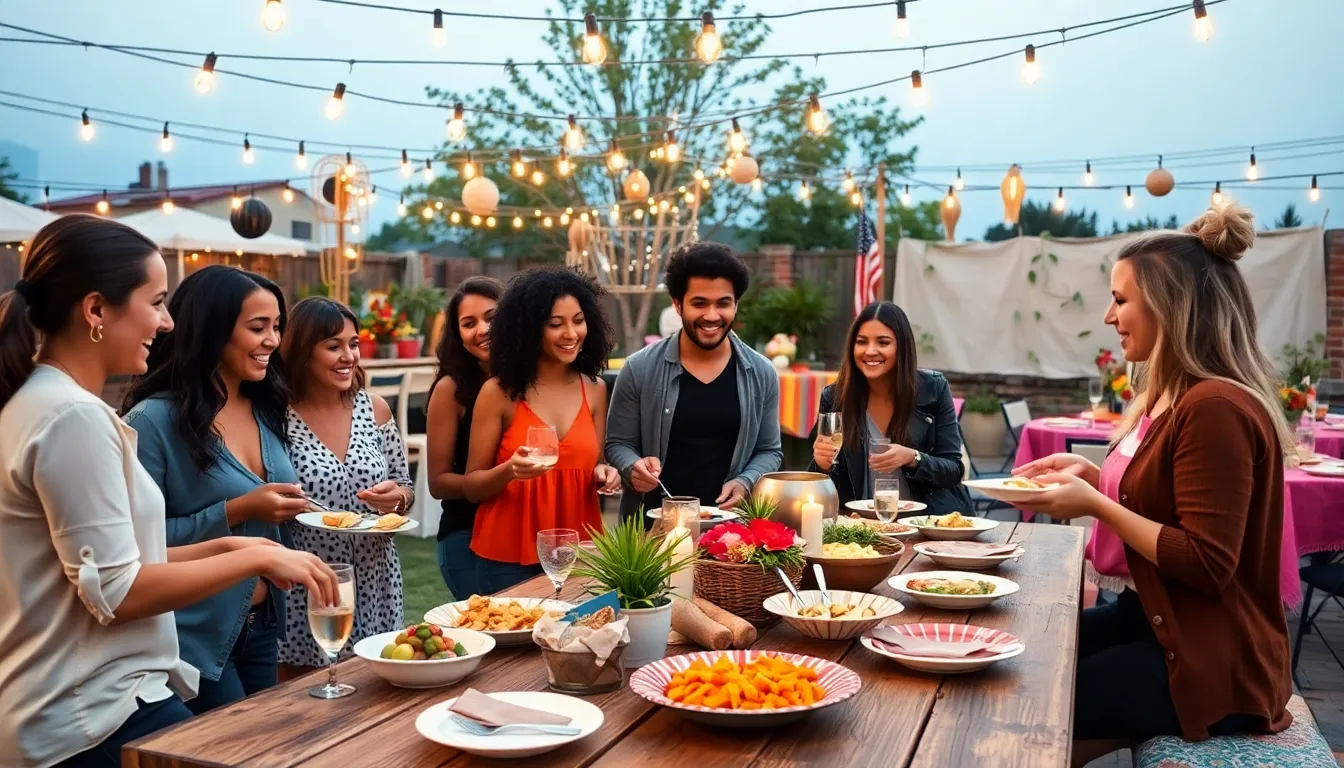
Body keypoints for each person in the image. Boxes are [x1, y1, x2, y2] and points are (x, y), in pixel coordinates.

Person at [0, 216, 337, 768]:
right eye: (156, 302)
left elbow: (100, 567)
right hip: (89, 715)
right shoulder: (72, 417)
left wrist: (231, 548)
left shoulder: (40, 401)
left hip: (88, 704)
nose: (165, 321)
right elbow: (118, 592)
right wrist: (248, 553)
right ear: (95, 311)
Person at [1011, 203, 1293, 765]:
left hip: (1212, 657)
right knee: (1021, 657)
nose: (1109, 317)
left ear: (1170, 306)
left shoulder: (1215, 406)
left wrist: (1095, 503)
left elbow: (1209, 563)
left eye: (1120, 299)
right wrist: (1094, 477)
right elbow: (1168, 502)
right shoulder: (1173, 398)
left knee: (1024, 704)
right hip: (1152, 622)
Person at [123, 265, 311, 714]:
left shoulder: (264, 406)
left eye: (277, 327)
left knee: (270, 746)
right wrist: (236, 509)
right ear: (212, 330)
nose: (273, 341)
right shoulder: (152, 423)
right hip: (195, 634)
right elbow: (133, 546)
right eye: (258, 328)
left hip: (264, 623)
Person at [275, 297, 414, 673]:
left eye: (353, 344)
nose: (349, 356)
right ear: (302, 351)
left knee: (377, 686)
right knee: (306, 696)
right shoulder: (275, 418)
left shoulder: (376, 408)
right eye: (333, 346)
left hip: (377, 578)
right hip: (310, 581)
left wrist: (397, 500)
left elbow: (405, 486)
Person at [463, 267, 620, 591]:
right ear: (529, 329)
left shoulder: (595, 390)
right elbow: (472, 487)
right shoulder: (498, 392)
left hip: (580, 552)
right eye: (555, 324)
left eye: (578, 320)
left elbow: (595, 464)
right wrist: (510, 470)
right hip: (508, 555)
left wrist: (606, 472)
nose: (571, 333)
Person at [606, 242, 782, 520]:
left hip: (731, 533)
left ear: (736, 304)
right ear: (678, 305)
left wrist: (746, 480)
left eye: (723, 303)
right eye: (699, 303)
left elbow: (769, 450)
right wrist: (632, 467)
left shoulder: (761, 372)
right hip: (651, 530)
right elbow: (617, 443)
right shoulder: (639, 368)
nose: (712, 316)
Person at [808, 301, 972, 515]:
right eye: (861, 342)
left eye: (883, 342)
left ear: (901, 347)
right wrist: (822, 465)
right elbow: (819, 483)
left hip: (928, 523)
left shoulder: (933, 388)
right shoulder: (835, 397)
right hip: (865, 526)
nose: (870, 351)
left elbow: (953, 470)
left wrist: (913, 458)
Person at [425, 277, 503, 597]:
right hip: (466, 537)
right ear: (457, 334)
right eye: (468, 323)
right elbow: (438, 482)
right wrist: (500, 478)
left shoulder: (530, 381)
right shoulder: (450, 390)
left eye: (491, 317)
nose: (482, 330)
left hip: (520, 537)